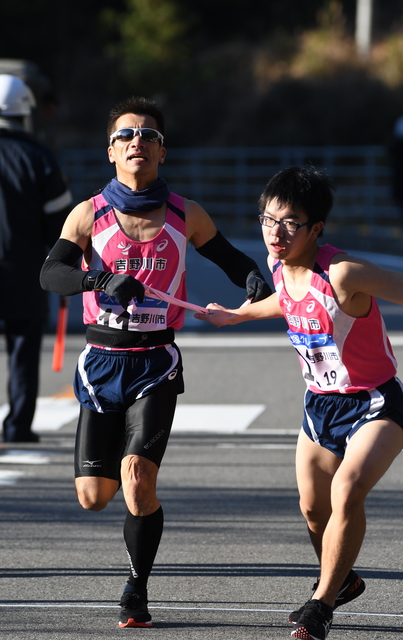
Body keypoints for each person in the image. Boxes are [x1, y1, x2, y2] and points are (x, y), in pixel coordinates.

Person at [39, 95, 272, 628]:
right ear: (110, 152)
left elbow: (232, 259)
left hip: (155, 363)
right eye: (126, 135)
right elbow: (49, 275)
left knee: (139, 477)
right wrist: (96, 278)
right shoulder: (88, 214)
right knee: (94, 498)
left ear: (162, 152)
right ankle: (122, 481)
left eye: (148, 135)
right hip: (100, 365)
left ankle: (136, 588)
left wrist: (253, 281)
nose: (137, 142)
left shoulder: (184, 213)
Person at [194, 166, 403, 640]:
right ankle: (343, 579)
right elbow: (286, 302)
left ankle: (321, 605)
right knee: (313, 509)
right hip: (319, 405)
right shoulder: (277, 266)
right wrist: (237, 315)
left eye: (290, 224)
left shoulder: (344, 272)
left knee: (346, 490)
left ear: (317, 229)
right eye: (268, 220)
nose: (276, 232)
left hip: (374, 404)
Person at [0, 74, 72, 444]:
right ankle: (17, 425)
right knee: (22, 352)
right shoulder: (38, 157)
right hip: (27, 271)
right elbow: (62, 224)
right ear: (23, 112)